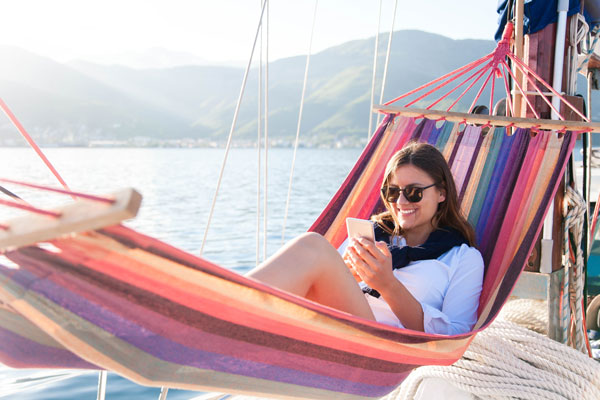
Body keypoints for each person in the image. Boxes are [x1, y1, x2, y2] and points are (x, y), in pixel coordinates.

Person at [247, 142, 484, 335]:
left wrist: (387, 285)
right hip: (330, 326)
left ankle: (233, 301)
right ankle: (233, 308)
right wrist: (349, 275)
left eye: (414, 192)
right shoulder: (370, 235)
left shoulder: (463, 258)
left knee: (314, 246)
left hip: (381, 346)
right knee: (314, 249)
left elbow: (455, 335)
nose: (400, 203)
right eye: (392, 192)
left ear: (442, 193)